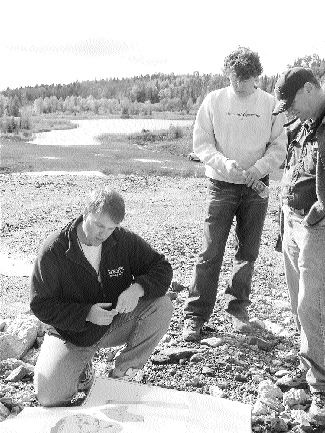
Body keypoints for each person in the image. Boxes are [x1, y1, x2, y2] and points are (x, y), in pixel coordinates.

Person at [30, 187, 173, 407]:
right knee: (50, 397)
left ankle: (122, 375)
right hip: (71, 334)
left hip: (113, 323)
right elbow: (40, 304)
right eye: (98, 225)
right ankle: (83, 370)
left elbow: (162, 268)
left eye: (110, 228)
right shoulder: (53, 250)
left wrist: (137, 288)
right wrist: (86, 313)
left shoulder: (122, 240)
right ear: (85, 213)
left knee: (162, 305)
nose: (103, 234)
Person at [183, 47, 287, 341]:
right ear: (228, 74)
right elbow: (202, 142)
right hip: (221, 184)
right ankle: (195, 316)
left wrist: (259, 167)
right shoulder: (214, 100)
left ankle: (237, 310)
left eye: (244, 78)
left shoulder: (270, 104)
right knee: (210, 252)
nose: (238, 84)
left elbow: (279, 146)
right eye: (234, 78)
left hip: (256, 186)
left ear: (256, 76)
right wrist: (223, 163)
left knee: (248, 252)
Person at [273, 67, 325, 423]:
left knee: (313, 305)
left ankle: (321, 388)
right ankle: (310, 371)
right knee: (297, 302)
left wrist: (310, 219)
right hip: (292, 219)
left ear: (309, 89)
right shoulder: (304, 124)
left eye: (291, 104)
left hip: (316, 226)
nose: (290, 112)